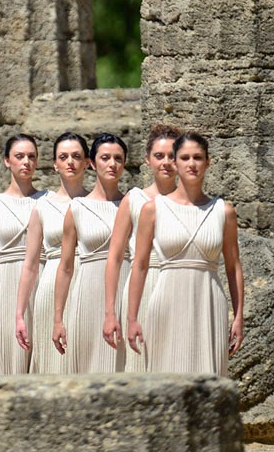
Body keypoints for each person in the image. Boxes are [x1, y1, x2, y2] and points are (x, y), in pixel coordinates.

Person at [127, 132, 245, 375]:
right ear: (175, 163)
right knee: (164, 380)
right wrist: (132, 317)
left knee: (209, 380)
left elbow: (233, 267)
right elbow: (139, 265)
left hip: (208, 302)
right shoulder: (153, 209)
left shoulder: (224, 211)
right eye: (185, 158)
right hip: (166, 301)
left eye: (198, 157)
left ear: (208, 162)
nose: (192, 164)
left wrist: (239, 317)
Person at [102, 124, 181, 371]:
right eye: (159, 156)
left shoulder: (192, 203)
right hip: (142, 287)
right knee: (140, 366)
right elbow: (114, 258)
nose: (166, 162)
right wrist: (110, 312)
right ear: (147, 160)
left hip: (178, 285)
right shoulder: (134, 199)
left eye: (171, 156)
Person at [52, 133, 128, 373]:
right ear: (93, 163)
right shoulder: (77, 208)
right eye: (105, 158)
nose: (112, 164)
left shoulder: (134, 205)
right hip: (86, 293)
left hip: (125, 292)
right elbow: (65, 267)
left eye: (118, 158)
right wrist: (58, 319)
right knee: (86, 369)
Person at [15, 132, 89, 374]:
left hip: (87, 280)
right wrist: (19, 313)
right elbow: (31, 264)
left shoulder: (96, 202)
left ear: (87, 162)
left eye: (76, 156)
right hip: (51, 283)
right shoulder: (43, 206)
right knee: (52, 363)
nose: (70, 162)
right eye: (63, 156)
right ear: (55, 165)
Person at [0, 134, 46, 375]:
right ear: (7, 161)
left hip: (43, 280)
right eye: (19, 156)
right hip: (6, 283)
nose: (26, 162)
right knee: (9, 358)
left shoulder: (48, 201)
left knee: (42, 358)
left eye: (31, 156)